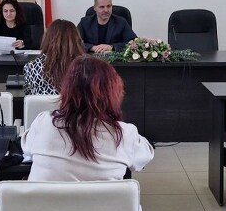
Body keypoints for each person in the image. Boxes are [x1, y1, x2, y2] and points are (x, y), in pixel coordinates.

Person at [22, 56, 154, 181]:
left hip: (45, 198)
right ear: (113, 93)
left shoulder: (44, 122)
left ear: (67, 90)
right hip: (103, 199)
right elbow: (145, 157)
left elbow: (26, 148)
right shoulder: (125, 134)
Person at [22, 19, 85, 96]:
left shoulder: (31, 67)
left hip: (44, 104)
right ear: (76, 40)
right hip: (74, 104)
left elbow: (29, 95)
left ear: (47, 39)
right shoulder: (86, 68)